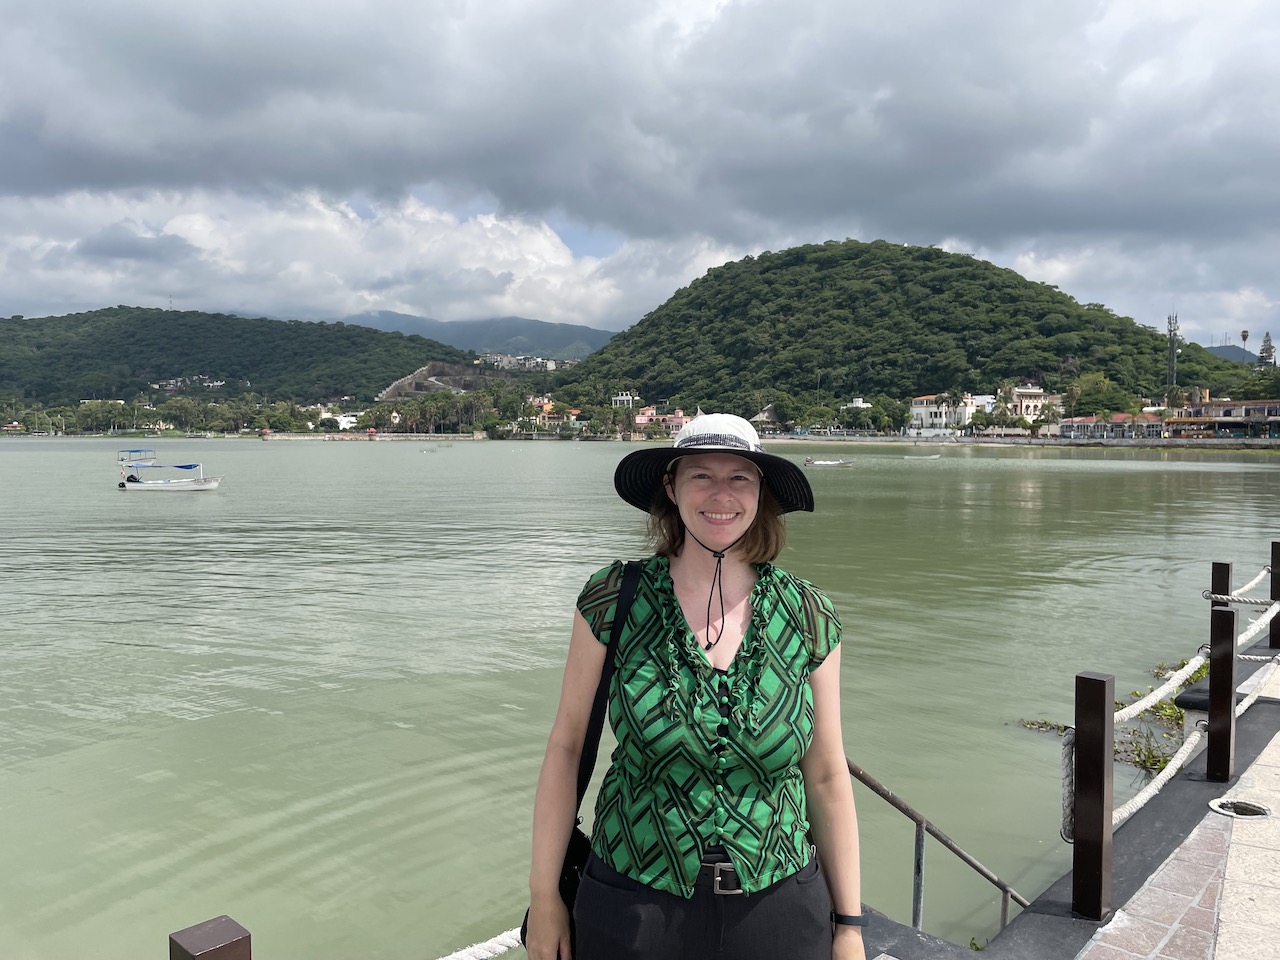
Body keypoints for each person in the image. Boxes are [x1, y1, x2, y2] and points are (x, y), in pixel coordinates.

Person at [527, 414, 864, 960]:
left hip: (777, 902)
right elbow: (566, 746)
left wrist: (849, 925)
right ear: (671, 487)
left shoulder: (807, 613)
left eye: (740, 478)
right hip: (633, 898)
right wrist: (545, 897)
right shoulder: (616, 598)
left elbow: (826, 771)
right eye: (701, 475)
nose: (720, 495)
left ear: (761, 494)